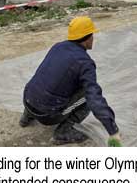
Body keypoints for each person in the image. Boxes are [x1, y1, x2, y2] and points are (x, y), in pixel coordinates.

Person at [20, 16, 122, 146]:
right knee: (87, 97)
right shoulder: (85, 63)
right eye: (92, 35)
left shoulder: (58, 47)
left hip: (27, 100)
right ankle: (63, 132)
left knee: (43, 81)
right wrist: (113, 130)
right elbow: (95, 99)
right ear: (88, 37)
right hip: (47, 115)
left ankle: (26, 117)